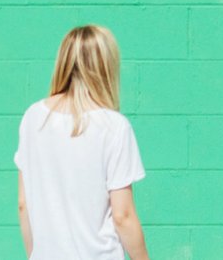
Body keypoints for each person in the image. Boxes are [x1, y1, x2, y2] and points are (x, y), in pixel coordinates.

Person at [15, 25, 150, 260]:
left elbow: (23, 204)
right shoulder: (113, 127)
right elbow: (123, 216)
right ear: (106, 67)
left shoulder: (33, 117)